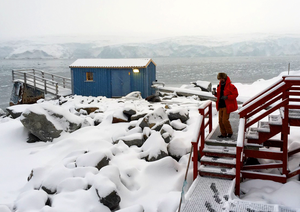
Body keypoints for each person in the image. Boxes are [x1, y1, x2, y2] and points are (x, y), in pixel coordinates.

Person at [212, 73, 238, 138]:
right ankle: (223, 134)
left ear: (225, 78)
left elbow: (236, 94)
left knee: (225, 120)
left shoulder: (231, 86)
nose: (221, 80)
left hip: (227, 106)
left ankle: (229, 133)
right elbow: (218, 95)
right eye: (220, 78)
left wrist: (227, 97)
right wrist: (215, 93)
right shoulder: (219, 86)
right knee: (220, 121)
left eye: (222, 78)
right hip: (220, 105)